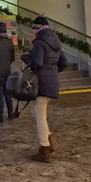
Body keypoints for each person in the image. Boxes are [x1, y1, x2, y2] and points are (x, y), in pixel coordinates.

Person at [22, 16, 68, 163]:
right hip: (51, 82)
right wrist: (52, 73)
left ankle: (45, 149)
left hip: (41, 84)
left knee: (40, 115)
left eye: (33, 28)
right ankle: (49, 141)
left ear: (37, 28)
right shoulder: (56, 42)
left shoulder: (40, 43)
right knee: (35, 111)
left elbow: (37, 63)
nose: (32, 31)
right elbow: (64, 63)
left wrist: (26, 58)